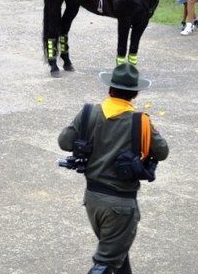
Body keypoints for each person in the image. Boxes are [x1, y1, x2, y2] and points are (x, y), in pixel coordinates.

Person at [58, 64, 169, 274]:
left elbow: (64, 142)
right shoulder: (140, 122)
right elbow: (162, 151)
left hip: (93, 199)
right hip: (121, 205)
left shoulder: (88, 113)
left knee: (117, 255)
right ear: (135, 94)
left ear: (110, 89)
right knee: (106, 263)